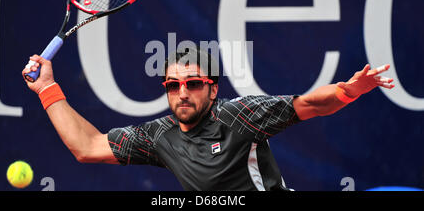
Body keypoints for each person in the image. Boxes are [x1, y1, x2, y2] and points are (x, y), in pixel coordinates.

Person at [22, 48, 394, 191]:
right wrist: (48, 89)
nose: (182, 92)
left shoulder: (239, 116)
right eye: (173, 85)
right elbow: (87, 147)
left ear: (212, 90)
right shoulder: (157, 136)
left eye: (194, 84)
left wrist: (349, 90)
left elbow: (311, 104)